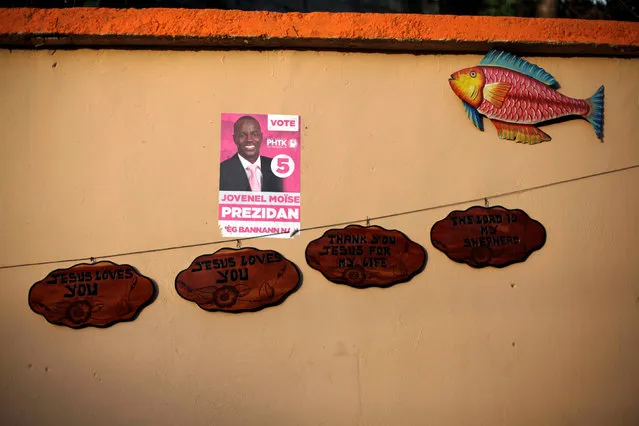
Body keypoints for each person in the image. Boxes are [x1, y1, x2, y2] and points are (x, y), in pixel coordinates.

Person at [219, 116, 283, 192]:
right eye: (242, 135)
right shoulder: (222, 170)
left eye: (254, 134)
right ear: (235, 139)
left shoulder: (277, 167)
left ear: (261, 137)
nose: (249, 139)